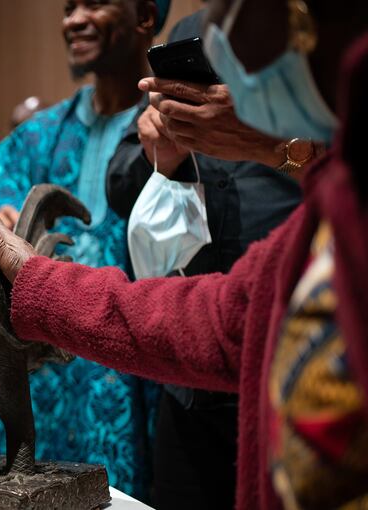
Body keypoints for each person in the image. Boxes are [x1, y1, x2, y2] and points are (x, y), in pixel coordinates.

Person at [0, 0, 368, 508]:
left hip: (151, 373)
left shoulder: (322, 191)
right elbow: (228, 318)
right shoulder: (324, 216)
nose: (230, 30)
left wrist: (284, 147)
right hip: (156, 360)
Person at [106, 7, 308, 509]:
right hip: (192, 377)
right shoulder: (192, 31)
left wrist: (273, 145)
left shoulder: (320, 32)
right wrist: (162, 154)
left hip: (292, 349)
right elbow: (121, 182)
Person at [0, 0, 170, 498]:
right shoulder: (40, 135)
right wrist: (0, 217)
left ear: (145, 16)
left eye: (95, 4)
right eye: (68, 7)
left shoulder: (176, 130)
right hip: (46, 376)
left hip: (136, 368)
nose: (73, 19)